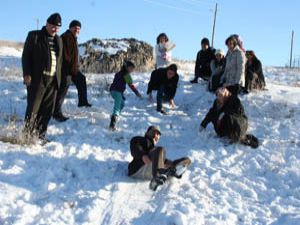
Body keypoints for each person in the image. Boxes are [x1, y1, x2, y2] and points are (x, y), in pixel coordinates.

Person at [22, 13, 63, 144]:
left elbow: (60, 61)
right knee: (33, 108)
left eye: (57, 27)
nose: (55, 29)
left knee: (47, 110)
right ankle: (27, 135)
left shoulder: (59, 40)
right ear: (47, 23)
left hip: (52, 81)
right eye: (53, 26)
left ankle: (40, 135)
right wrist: (27, 74)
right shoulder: (34, 36)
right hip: (37, 79)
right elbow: (26, 56)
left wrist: (60, 79)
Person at [53, 20, 92, 122]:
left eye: (79, 28)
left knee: (81, 79)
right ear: (70, 27)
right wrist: (68, 67)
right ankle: (56, 112)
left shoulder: (73, 38)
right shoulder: (65, 37)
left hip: (73, 69)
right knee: (62, 90)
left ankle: (82, 102)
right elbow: (64, 55)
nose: (77, 30)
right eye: (75, 28)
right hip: (65, 70)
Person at [109, 61, 142, 130]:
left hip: (114, 91)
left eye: (133, 69)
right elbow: (131, 85)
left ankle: (115, 116)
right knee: (117, 107)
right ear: (126, 67)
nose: (132, 70)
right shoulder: (126, 75)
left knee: (122, 104)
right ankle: (113, 123)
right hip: (116, 91)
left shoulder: (119, 73)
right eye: (131, 68)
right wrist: (137, 93)